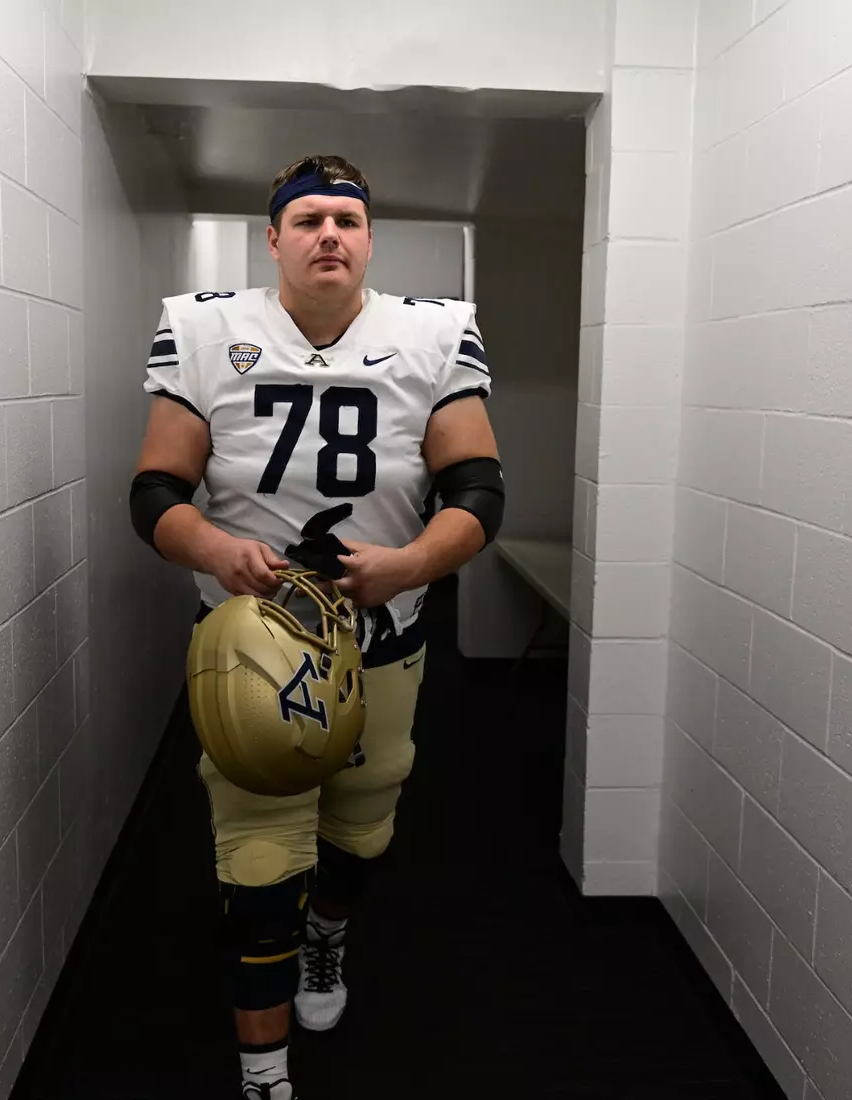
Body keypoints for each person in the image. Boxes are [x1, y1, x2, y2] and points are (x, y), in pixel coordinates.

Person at [128, 154, 505, 1099]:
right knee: (257, 854)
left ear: (369, 238)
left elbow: (477, 489)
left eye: (346, 219)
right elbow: (156, 491)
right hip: (252, 635)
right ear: (274, 239)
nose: (328, 234)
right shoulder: (208, 328)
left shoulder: (434, 333)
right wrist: (215, 550)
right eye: (307, 221)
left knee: (364, 823)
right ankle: (264, 1074)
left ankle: (327, 937)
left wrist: (412, 564)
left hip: (384, 633)